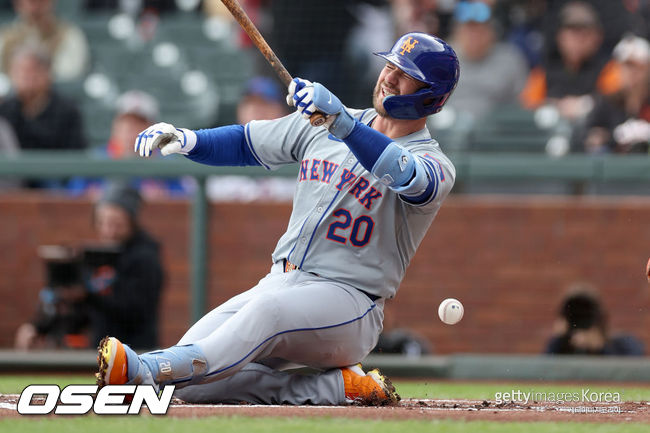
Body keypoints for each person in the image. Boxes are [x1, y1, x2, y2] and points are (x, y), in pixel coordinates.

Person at [96, 32, 459, 406]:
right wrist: (189, 140)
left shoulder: (435, 164)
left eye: (405, 73)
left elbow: (404, 175)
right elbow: (246, 142)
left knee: (257, 319)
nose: (390, 77)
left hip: (350, 303)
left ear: (431, 94)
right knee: (196, 375)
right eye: (390, 65)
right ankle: (337, 389)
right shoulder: (328, 122)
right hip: (280, 280)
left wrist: (342, 124)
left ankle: (147, 370)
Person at [87, 182, 165, 350]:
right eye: (102, 223)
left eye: (116, 224)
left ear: (131, 222)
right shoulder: (99, 255)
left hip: (135, 352)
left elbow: (135, 309)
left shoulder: (146, 256)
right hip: (101, 351)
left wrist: (88, 296)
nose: (109, 232)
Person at [520, 1, 621, 122]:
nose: (578, 41)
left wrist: (584, 104)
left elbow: (615, 98)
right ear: (559, 37)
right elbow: (527, 106)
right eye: (572, 33)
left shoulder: (608, 68)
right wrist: (557, 106)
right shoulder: (544, 71)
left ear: (597, 38)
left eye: (584, 34)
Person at [446, 0, 528, 122]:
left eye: (480, 30)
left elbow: (525, 102)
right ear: (457, 32)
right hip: (449, 132)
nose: (474, 36)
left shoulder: (509, 58)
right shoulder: (442, 58)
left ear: (492, 32)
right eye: (469, 30)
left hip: (498, 130)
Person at [0, 42, 86, 151]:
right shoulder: (4, 110)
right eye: (18, 71)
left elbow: (76, 156)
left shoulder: (68, 111)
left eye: (31, 70)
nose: (25, 77)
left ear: (47, 73)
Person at [580, 35, 650, 154]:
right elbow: (584, 136)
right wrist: (613, 136)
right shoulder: (606, 102)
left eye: (638, 67)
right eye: (627, 66)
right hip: (615, 166)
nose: (632, 73)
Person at [0, 0, 90, 82]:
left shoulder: (69, 35)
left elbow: (69, 75)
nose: (35, 6)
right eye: (30, 1)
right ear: (17, 3)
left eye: (41, 1)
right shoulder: (6, 37)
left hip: (54, 97)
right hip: (12, 96)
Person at [545, 284, 645, 356]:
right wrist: (558, 340)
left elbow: (634, 370)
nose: (580, 320)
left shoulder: (623, 344)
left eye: (584, 314)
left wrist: (601, 348)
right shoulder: (561, 347)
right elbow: (543, 374)